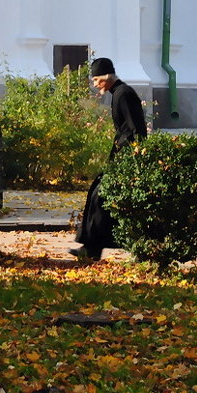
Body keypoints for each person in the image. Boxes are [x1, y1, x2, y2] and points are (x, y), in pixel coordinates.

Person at [71, 57, 147, 261]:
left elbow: (133, 130)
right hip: (122, 156)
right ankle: (91, 247)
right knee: (97, 195)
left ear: (106, 77)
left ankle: (92, 248)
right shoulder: (120, 93)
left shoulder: (123, 94)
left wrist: (126, 157)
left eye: (97, 80)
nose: (95, 85)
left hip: (127, 157)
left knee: (100, 196)